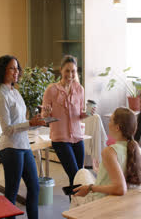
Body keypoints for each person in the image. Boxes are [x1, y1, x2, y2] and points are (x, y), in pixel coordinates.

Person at [0, 55, 46, 219]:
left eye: (17, 68)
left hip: (23, 145)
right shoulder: (1, 94)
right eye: (12, 68)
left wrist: (39, 118)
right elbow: (7, 129)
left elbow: (21, 120)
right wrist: (30, 124)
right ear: (3, 71)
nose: (16, 72)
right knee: (12, 193)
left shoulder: (14, 91)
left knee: (34, 187)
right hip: (11, 148)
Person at [71, 107, 141, 207]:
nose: (108, 124)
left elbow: (120, 188)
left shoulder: (110, 151)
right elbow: (123, 173)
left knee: (81, 173)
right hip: (122, 202)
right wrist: (101, 170)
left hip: (101, 203)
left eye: (110, 121)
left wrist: (90, 188)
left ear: (117, 127)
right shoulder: (138, 150)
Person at [41, 55, 94, 186]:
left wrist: (87, 114)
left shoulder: (79, 89)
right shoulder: (51, 90)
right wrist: (46, 113)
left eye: (73, 71)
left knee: (79, 175)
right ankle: (76, 205)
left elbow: (79, 115)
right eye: (67, 71)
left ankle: (75, 205)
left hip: (77, 137)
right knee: (75, 175)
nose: (70, 74)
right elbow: (45, 119)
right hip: (60, 139)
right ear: (61, 70)